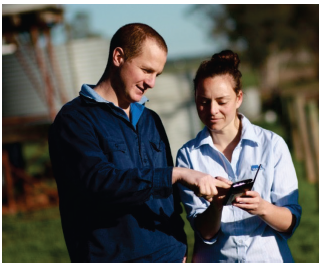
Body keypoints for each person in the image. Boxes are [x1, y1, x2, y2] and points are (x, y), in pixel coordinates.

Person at [48, 23, 230, 263]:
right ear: (118, 56)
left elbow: (167, 200)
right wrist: (174, 174)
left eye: (157, 74)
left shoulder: (150, 119)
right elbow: (100, 184)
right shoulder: (75, 120)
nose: (152, 82)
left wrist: (180, 248)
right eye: (146, 70)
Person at [176, 50, 302, 262]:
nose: (212, 110)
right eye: (203, 101)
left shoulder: (272, 145)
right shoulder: (188, 156)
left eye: (221, 101)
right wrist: (216, 205)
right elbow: (204, 233)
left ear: (239, 98)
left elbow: (290, 221)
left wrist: (262, 208)